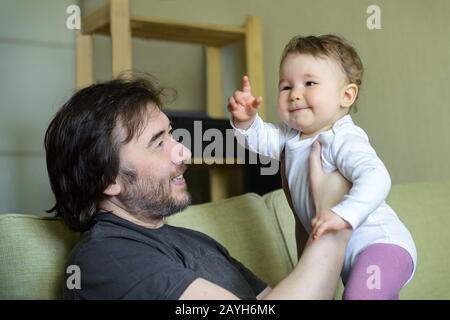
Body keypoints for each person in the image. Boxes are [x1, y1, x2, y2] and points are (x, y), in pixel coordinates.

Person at [45, 74, 351, 300]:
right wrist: (338, 218)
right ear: (107, 179)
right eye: (157, 142)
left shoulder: (196, 242)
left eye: (171, 134)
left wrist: (311, 213)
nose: (184, 152)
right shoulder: (108, 260)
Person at [228, 34, 417, 300]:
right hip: (347, 257)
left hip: (381, 245)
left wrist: (343, 214)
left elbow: (377, 177)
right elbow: (260, 139)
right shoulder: (290, 136)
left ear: (346, 95)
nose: (295, 94)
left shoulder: (342, 138)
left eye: (309, 83)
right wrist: (246, 121)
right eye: (285, 86)